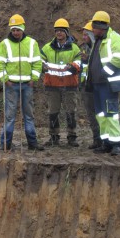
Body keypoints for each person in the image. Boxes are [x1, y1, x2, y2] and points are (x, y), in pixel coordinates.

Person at [85, 10, 120, 156]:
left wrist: (106, 73)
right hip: (98, 85)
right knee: (101, 115)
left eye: (94, 27)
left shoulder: (114, 39)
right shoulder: (99, 40)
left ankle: (117, 144)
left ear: (101, 27)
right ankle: (106, 143)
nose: (92, 30)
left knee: (111, 114)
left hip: (108, 85)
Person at [0, 14, 43, 151]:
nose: (16, 32)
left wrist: (34, 79)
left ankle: (32, 144)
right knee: (9, 116)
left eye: (18, 29)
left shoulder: (32, 43)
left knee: (29, 115)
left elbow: (37, 63)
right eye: (13, 30)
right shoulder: (4, 44)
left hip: (27, 84)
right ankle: (5, 144)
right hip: (11, 85)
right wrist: (6, 80)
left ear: (23, 29)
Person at [40, 18, 81, 147]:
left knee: (70, 111)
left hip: (69, 85)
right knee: (53, 112)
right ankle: (54, 137)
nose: (59, 33)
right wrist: (43, 66)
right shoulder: (47, 48)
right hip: (52, 85)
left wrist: (73, 66)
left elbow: (79, 63)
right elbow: (39, 61)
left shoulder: (74, 48)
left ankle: (72, 137)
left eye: (61, 31)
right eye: (57, 31)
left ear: (66, 32)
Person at [78, 22, 101, 149]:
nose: (83, 37)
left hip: (98, 85)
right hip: (87, 87)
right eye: (83, 35)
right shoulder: (83, 48)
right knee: (91, 114)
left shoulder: (99, 48)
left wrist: (88, 59)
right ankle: (97, 139)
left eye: (86, 34)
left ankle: (104, 139)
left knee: (101, 113)